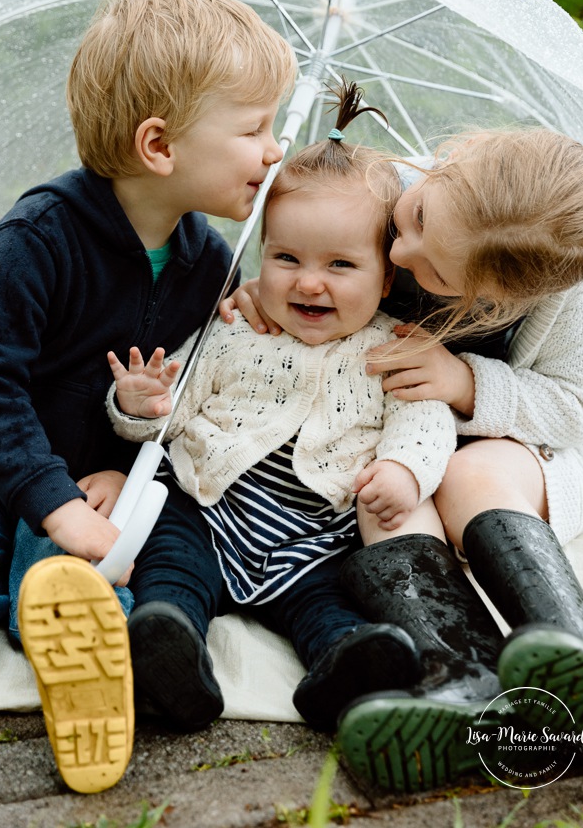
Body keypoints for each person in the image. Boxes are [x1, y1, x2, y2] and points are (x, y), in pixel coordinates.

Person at [0, 0, 296, 791]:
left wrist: (113, 482)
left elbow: (172, 406)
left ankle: (99, 665)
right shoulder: (39, 238)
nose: (275, 151)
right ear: (160, 147)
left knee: (69, 580)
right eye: (255, 129)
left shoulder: (207, 263)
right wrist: (53, 500)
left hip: (85, 481)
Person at [222, 127, 583, 791]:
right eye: (412, 221)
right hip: (394, 446)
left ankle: (578, 663)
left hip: (515, 458)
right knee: (384, 493)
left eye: (435, 271)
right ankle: (462, 680)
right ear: (446, 163)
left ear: (502, 294)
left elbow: (570, 407)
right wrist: (258, 301)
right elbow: (305, 254)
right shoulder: (390, 194)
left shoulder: (552, 281)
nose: (402, 248)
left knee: (471, 471)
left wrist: (464, 382)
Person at [105, 112, 459, 736]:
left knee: (329, 602)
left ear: (386, 278)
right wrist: (139, 405)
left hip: (315, 535)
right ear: (260, 254)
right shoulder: (235, 327)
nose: (310, 281)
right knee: (171, 565)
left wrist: (405, 470)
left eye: (341, 266)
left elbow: (425, 422)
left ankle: (343, 668)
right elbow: (172, 413)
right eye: (287, 257)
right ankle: (171, 654)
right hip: (207, 507)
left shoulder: (393, 348)